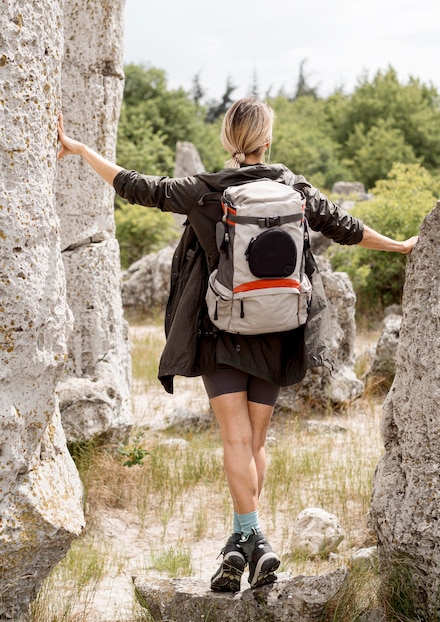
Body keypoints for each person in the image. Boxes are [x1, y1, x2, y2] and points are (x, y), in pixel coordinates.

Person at [57, 98, 417, 593]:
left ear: (229, 141)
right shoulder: (295, 188)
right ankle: (246, 536)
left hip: (221, 332)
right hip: (277, 331)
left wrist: (79, 149)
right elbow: (347, 229)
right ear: (268, 139)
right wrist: (401, 245)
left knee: (235, 441)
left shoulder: (206, 190)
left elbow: (135, 186)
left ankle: (248, 536)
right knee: (256, 442)